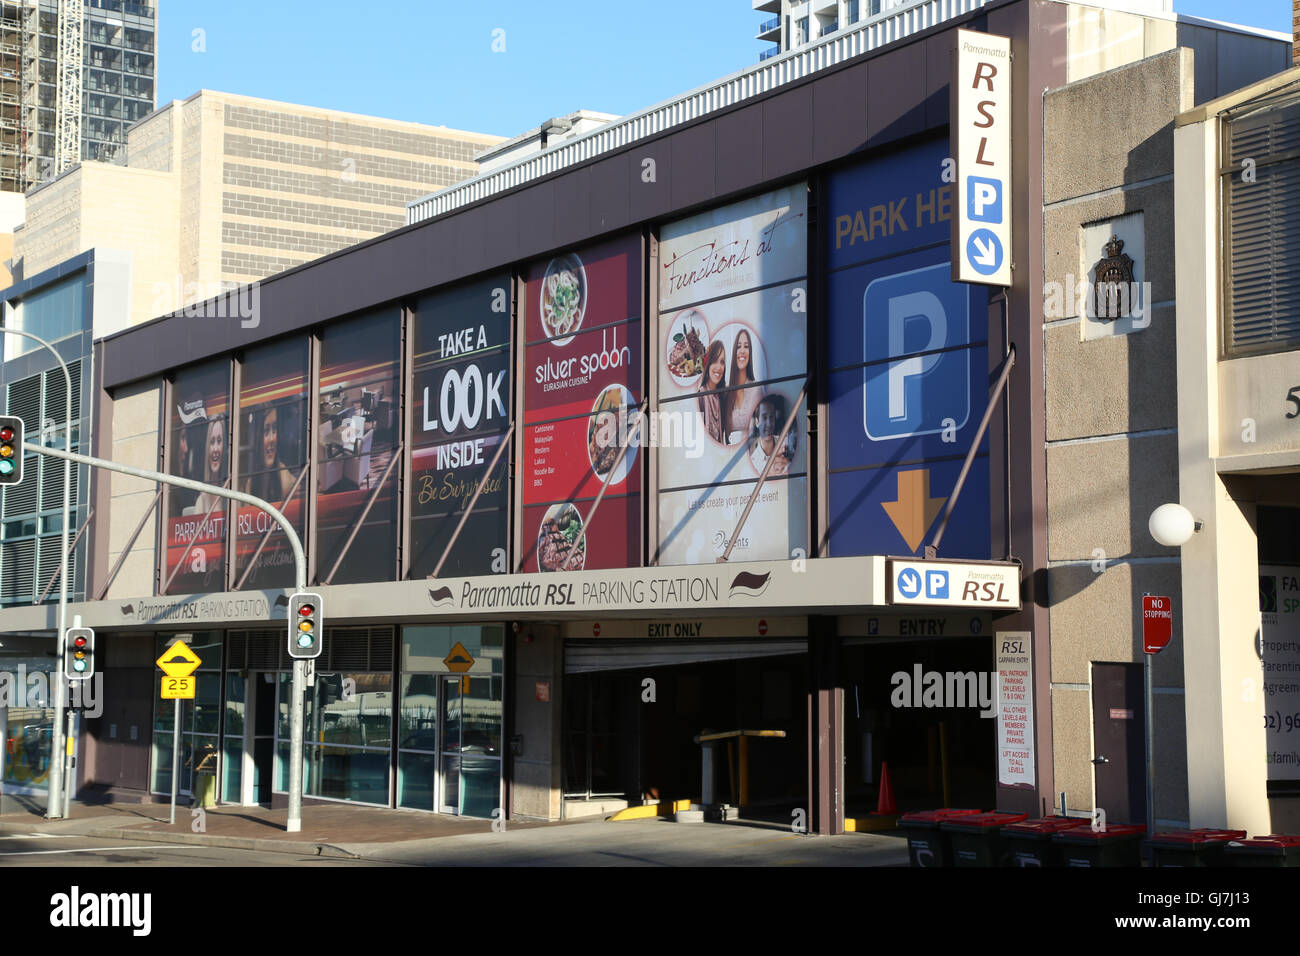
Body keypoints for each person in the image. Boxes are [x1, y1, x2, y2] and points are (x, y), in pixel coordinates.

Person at [245, 405, 296, 504]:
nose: (272, 439)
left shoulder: (285, 479)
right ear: (256, 437)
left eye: (274, 429)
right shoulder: (249, 484)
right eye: (266, 431)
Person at [725, 328, 764, 443]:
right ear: (734, 352)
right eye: (738, 347)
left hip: (752, 450)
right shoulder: (726, 392)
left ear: (750, 352)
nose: (742, 351)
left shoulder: (757, 390)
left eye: (746, 346)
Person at [749, 393, 794, 476]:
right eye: (764, 417)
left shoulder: (786, 445)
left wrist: (790, 465)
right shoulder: (753, 463)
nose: (769, 424)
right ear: (757, 422)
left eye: (771, 417)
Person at [695, 340, 728, 445]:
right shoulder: (700, 397)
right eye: (714, 361)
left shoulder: (721, 397)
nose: (719, 367)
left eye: (722, 362)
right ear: (708, 364)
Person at [192, 417, 227, 515]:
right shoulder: (202, 500)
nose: (215, 449)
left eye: (219, 441)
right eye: (212, 442)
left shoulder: (233, 495)